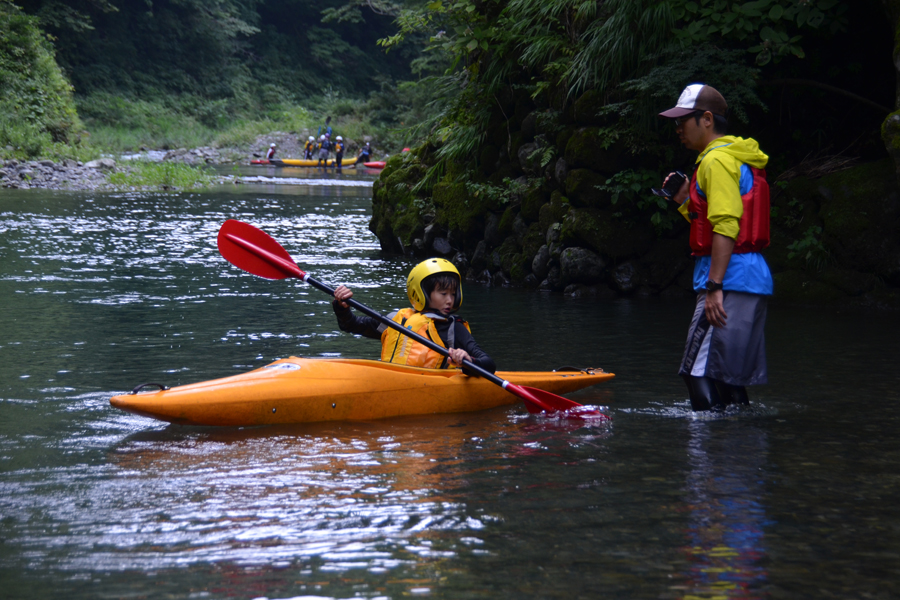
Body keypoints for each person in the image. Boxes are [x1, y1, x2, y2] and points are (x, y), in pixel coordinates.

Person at [658, 83, 773, 411]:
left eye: (683, 120)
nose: (678, 128)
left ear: (707, 119)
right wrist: (684, 201)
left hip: (730, 280)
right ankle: (739, 451)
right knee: (726, 377)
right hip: (749, 278)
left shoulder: (715, 161)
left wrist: (714, 287)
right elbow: (714, 223)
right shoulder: (735, 156)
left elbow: (726, 225)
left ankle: (709, 455)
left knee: (696, 373)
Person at [332, 258, 496, 373]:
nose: (450, 300)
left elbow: (488, 364)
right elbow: (350, 324)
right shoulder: (396, 319)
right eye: (443, 293)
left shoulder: (454, 328)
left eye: (453, 294)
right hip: (392, 384)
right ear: (421, 293)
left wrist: (468, 360)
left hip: (431, 390)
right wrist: (342, 307)